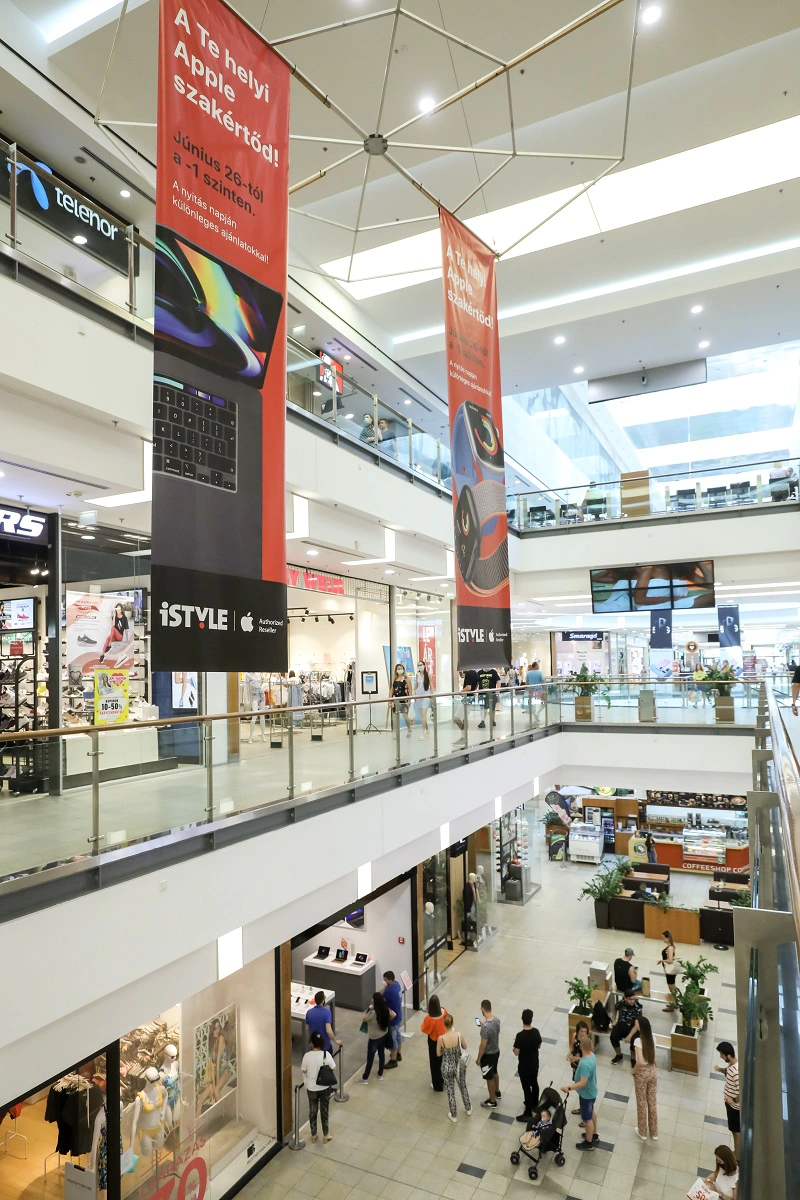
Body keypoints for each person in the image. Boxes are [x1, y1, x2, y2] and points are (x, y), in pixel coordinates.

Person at [561, 1034, 598, 1151]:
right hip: (591, 1092)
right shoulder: (591, 1056)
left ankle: (589, 1142)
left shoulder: (586, 1064)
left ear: (581, 1047)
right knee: (592, 1112)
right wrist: (576, 1059)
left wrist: (569, 1087)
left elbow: (582, 1082)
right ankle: (593, 1134)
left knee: (587, 1118)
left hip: (586, 1094)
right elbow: (583, 1059)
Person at [437, 1013, 472, 1122]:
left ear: (444, 1024)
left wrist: (445, 1050)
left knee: (450, 1090)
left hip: (447, 1066)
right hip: (458, 1065)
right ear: (452, 1023)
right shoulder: (458, 1035)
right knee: (462, 1086)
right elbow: (465, 1046)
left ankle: (454, 1114)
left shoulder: (441, 1039)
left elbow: (438, 1054)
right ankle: (468, 1108)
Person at [301, 1031, 335, 1144]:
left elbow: (304, 1070)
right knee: (324, 1111)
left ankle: (314, 1135)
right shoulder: (326, 1055)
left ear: (311, 1043)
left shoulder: (307, 1056)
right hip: (324, 1087)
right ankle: (326, 1135)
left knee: (312, 1111)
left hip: (311, 1088)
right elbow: (333, 1068)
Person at [513, 1008, 542, 1123]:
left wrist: (515, 1048)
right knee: (534, 1083)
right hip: (534, 1064)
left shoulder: (520, 1036)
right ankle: (535, 1103)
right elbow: (539, 1045)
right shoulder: (536, 1032)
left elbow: (516, 1052)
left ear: (522, 1019)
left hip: (524, 1066)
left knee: (526, 1088)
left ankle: (528, 1112)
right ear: (531, 1019)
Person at [632, 1016, 658, 1141]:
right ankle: (654, 1132)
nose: (636, 1026)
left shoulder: (638, 1041)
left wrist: (634, 1071)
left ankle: (642, 1132)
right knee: (652, 1102)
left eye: (637, 1024)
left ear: (640, 1027)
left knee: (641, 1102)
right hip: (653, 1071)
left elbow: (641, 1061)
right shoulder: (653, 1038)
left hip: (642, 1074)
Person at [360, 991, 394, 1084]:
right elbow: (393, 1014)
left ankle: (365, 1078)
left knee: (370, 1057)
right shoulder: (386, 1009)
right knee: (381, 1054)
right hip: (383, 1034)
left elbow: (364, 1018)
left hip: (374, 1037)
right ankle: (380, 1074)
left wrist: (370, 1008)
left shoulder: (373, 1012)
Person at [715, 1042, 740, 1156]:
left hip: (734, 1107)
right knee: (734, 1131)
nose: (721, 1056)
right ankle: (737, 1151)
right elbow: (728, 1071)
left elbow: (742, 1092)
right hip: (730, 1104)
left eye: (721, 1054)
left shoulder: (736, 1072)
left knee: (736, 1132)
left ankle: (738, 1155)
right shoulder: (733, 1065)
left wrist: (733, 1100)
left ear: (728, 1055)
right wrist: (720, 1069)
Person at [476, 999, 501, 1107]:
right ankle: (497, 1091)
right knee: (495, 1072)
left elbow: (483, 1046)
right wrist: (483, 1025)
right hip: (496, 1051)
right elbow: (493, 1032)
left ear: (482, 1009)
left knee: (488, 1077)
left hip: (488, 1055)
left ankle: (492, 1101)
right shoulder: (497, 1020)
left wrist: (479, 1058)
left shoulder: (485, 1028)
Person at [420, 994, 448, 1092]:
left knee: (434, 1063)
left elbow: (425, 1029)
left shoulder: (429, 1019)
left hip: (434, 1042)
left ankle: (437, 1086)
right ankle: (443, 1079)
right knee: (442, 1060)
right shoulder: (444, 1011)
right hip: (444, 1040)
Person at [610, 990, 642, 1065]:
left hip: (633, 1027)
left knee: (635, 1040)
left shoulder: (638, 1008)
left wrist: (629, 1036)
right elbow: (614, 1009)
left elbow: (637, 1025)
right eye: (630, 999)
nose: (632, 1001)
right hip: (621, 1024)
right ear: (625, 998)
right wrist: (614, 1020)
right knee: (613, 1036)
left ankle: (633, 1058)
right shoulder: (620, 1003)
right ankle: (619, 1055)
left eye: (633, 999)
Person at [567, 1020, 590, 1116]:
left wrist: (576, 1058)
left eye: (585, 1031)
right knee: (579, 1088)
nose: (583, 1034)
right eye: (581, 1031)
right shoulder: (574, 1036)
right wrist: (569, 1054)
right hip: (576, 1066)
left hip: (583, 1067)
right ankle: (582, 1108)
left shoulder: (587, 1042)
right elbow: (572, 1048)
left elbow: (589, 1057)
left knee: (584, 1088)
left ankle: (586, 1112)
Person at [381, 971, 404, 1067]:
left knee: (392, 1039)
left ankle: (393, 1060)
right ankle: (398, 1053)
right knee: (398, 1036)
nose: (384, 982)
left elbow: (378, 998)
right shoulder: (397, 985)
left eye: (385, 980)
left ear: (389, 981)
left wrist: (385, 988)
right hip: (399, 1016)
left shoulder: (389, 991)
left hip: (392, 1020)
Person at [453, 667, 478, 748]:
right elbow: (476, 685)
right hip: (470, 698)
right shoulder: (474, 673)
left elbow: (468, 688)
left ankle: (464, 736)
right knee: (464, 718)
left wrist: (461, 691)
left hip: (467, 699)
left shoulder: (469, 674)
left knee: (456, 718)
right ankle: (463, 737)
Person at [658, 931, 680, 1012]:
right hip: (669, 970)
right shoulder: (670, 947)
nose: (663, 940)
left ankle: (673, 1004)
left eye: (664, 938)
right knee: (672, 987)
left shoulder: (670, 947)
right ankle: (675, 1003)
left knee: (671, 987)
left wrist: (662, 960)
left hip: (670, 971)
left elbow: (670, 960)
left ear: (668, 938)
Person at [391, 664, 412, 738]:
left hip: (403, 699)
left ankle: (409, 729)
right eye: (398, 668)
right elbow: (392, 689)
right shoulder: (395, 678)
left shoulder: (406, 678)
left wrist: (409, 700)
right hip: (395, 700)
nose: (400, 670)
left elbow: (410, 689)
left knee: (405, 715)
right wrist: (389, 700)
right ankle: (397, 732)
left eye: (401, 668)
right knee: (394, 717)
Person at [414, 662, 432, 733]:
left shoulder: (428, 674)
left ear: (424, 666)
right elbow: (417, 685)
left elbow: (431, 685)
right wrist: (414, 692)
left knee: (424, 713)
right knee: (422, 715)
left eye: (421, 665)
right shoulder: (417, 675)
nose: (420, 666)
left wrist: (432, 695)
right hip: (419, 696)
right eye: (418, 665)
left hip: (426, 696)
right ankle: (427, 729)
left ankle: (422, 732)